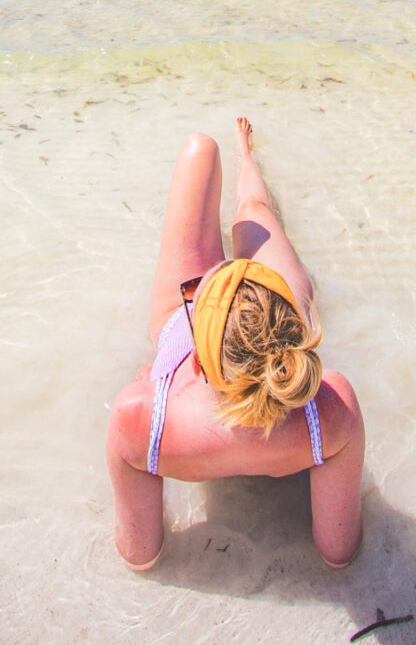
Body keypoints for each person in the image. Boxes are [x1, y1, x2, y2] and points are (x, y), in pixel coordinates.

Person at [106, 118, 365, 572]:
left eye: (198, 295)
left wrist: (150, 386)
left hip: (206, 368)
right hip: (262, 337)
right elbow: (338, 552)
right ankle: (246, 156)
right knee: (253, 211)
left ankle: (237, 153)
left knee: (199, 151)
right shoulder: (331, 409)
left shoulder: (138, 419)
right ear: (292, 335)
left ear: (200, 365)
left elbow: (139, 554)